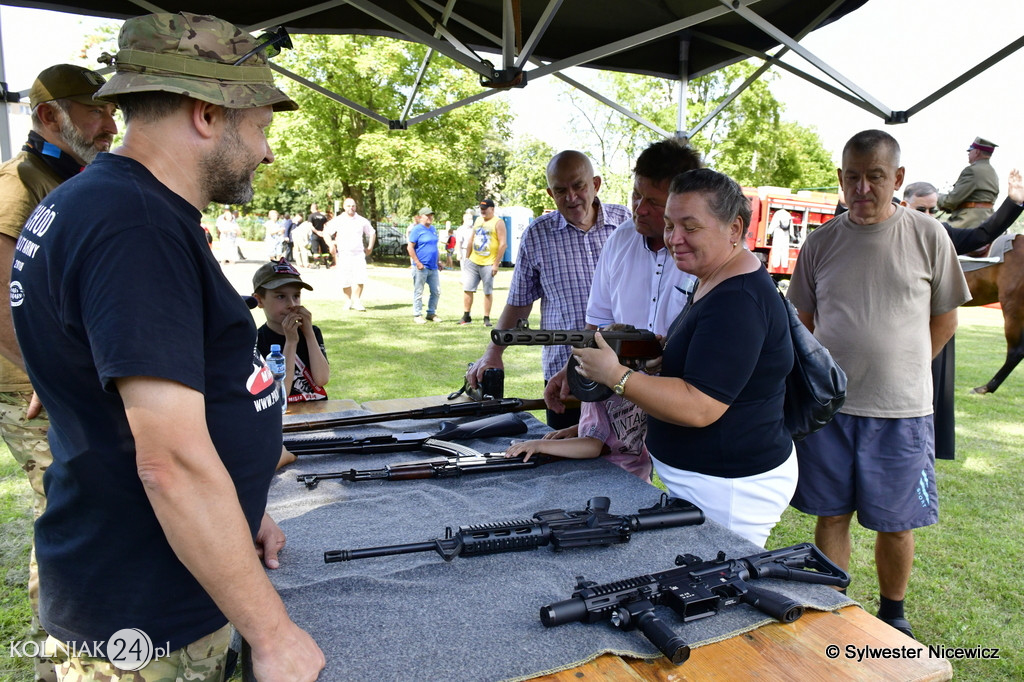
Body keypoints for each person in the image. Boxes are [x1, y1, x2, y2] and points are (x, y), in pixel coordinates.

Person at [9, 12, 324, 680]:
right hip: (147, 613)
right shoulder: (136, 225)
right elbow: (170, 463)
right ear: (208, 114)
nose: (268, 152)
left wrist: (239, 514)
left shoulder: (101, 204)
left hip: (143, 572)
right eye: (262, 127)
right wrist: (271, 633)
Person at [788, 130, 971, 639]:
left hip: (903, 411)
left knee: (896, 521)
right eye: (852, 176)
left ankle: (894, 612)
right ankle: (831, 604)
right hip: (831, 412)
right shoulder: (821, 242)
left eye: (874, 176)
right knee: (831, 515)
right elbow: (802, 322)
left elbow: (946, 319)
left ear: (898, 178)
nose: (862, 187)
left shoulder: (928, 235)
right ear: (841, 178)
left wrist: (909, 367)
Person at [572, 169, 797, 547]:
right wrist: (667, 357)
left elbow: (700, 407)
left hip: (728, 488)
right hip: (712, 481)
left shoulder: (737, 300)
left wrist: (616, 376)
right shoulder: (716, 276)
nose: (674, 239)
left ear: (734, 229)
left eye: (690, 227)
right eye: (671, 224)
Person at [0, 61, 115, 682]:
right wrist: (46, 376)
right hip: (34, 391)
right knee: (69, 509)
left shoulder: (65, 176)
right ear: (49, 116)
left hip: (66, 381)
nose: (110, 123)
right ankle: (66, 653)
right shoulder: (18, 185)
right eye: (94, 110)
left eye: (110, 111)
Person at [466, 150, 630, 428]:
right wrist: (494, 351)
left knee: (628, 461)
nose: (571, 197)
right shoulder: (537, 234)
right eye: (560, 190)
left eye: (578, 186)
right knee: (565, 463)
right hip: (565, 375)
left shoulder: (627, 223)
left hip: (625, 369)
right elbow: (519, 302)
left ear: (596, 184)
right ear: (550, 193)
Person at [545, 138, 702, 418]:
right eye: (636, 195)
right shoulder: (619, 240)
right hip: (622, 413)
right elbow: (597, 325)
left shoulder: (706, 254)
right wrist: (573, 367)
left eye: (653, 201)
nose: (639, 208)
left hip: (687, 408)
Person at [901, 172, 1024, 462]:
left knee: (930, 400)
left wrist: (1014, 202)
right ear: (905, 206)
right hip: (896, 328)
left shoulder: (941, 233)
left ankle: (920, 453)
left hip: (932, 330)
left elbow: (981, 234)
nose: (930, 216)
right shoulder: (888, 231)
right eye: (922, 210)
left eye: (934, 210)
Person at [505, 331, 653, 484]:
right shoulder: (637, 385)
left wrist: (538, 445)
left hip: (608, 478)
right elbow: (618, 424)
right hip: (640, 477)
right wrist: (576, 429)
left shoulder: (594, 394)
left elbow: (592, 445)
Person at [253, 259, 330, 403]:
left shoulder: (312, 332)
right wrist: (291, 342)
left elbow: (322, 379)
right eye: (281, 296)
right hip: (284, 417)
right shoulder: (257, 340)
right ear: (259, 300)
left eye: (296, 296)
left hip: (317, 412)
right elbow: (280, 393)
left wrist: (309, 334)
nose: (291, 304)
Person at [458, 199, 506, 326]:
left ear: (492, 209)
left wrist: (496, 264)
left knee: (487, 291)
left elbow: (503, 244)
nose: (483, 211)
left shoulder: (498, 222)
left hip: (488, 263)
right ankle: (466, 316)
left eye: (485, 208)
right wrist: (467, 258)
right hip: (473, 261)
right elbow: (471, 240)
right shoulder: (478, 220)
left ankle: (486, 318)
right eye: (481, 209)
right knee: (468, 288)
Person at [937, 137, 999, 230]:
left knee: (939, 234)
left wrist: (937, 197)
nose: (969, 154)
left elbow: (951, 200)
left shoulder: (972, 171)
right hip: (986, 220)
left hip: (968, 222)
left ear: (977, 152)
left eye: (970, 151)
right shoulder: (992, 172)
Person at [326, 197, 375, 310]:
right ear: (344, 207)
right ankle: (347, 301)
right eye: (348, 206)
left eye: (353, 206)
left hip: (358, 254)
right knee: (345, 278)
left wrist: (370, 247)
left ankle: (357, 301)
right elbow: (326, 233)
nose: (351, 208)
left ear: (355, 207)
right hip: (344, 254)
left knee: (360, 277)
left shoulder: (361, 220)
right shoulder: (338, 220)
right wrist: (331, 245)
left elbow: (372, 233)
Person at [407, 206, 443, 324]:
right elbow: (410, 247)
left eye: (431, 215)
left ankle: (431, 313)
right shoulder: (417, 230)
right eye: (427, 215)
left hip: (433, 266)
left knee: (436, 291)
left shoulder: (433, 229)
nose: (430, 217)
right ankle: (417, 314)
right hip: (421, 267)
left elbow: (435, 247)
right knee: (419, 291)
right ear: (421, 217)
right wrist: (417, 262)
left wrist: (438, 261)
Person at [308, 202, 332, 267]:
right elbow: (326, 225)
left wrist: (317, 232)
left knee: (315, 250)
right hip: (323, 234)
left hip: (315, 235)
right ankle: (327, 264)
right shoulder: (323, 216)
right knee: (324, 249)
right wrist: (323, 232)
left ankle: (317, 264)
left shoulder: (311, 216)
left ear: (312, 208)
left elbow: (311, 226)